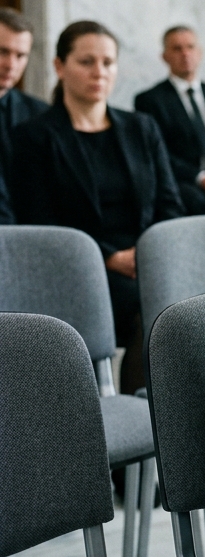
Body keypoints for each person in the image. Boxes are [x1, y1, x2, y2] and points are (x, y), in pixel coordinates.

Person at [11, 21, 183, 393]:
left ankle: (159, 421)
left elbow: (169, 203)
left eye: (108, 62)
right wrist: (108, 257)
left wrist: (146, 252)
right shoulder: (34, 136)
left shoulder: (142, 127)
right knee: (148, 309)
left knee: (182, 301)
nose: (99, 72)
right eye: (86, 61)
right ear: (60, 67)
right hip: (78, 265)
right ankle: (141, 419)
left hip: (143, 258)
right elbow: (40, 220)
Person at [134, 26, 205, 215]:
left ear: (200, 53)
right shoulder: (150, 100)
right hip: (186, 180)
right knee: (195, 201)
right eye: (177, 49)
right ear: (165, 56)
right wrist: (201, 178)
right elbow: (158, 152)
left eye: (190, 47)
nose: (185, 54)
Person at [0, 8, 47, 224]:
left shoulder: (40, 113)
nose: (11, 65)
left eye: (21, 56)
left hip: (27, 237)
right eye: (2, 52)